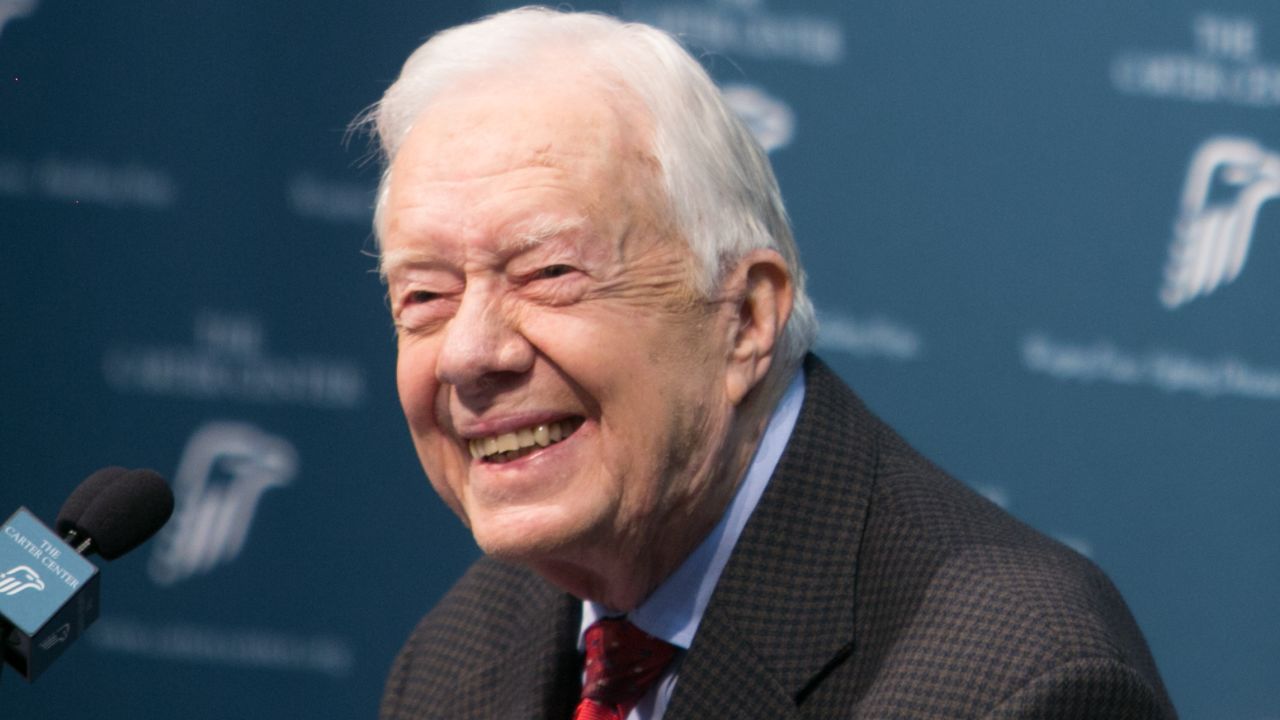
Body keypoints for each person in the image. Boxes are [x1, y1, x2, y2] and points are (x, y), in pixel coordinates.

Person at [362, 7, 1176, 719]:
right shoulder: (460, 656)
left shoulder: (1021, 682)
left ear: (745, 318)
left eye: (547, 275)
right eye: (424, 297)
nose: (470, 354)